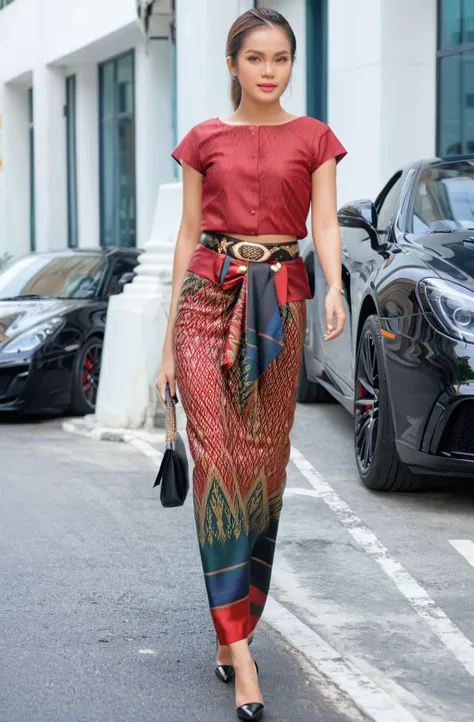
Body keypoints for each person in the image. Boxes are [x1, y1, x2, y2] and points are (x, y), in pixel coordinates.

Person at [156, 7, 347, 721]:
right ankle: (241, 654)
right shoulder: (203, 139)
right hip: (208, 301)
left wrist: (332, 285)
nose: (270, 71)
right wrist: (165, 349)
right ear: (232, 65)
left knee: (264, 467)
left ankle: (230, 619)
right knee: (220, 464)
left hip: (285, 301)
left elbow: (324, 221)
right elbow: (185, 238)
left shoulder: (316, 138)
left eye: (282, 58)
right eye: (257, 58)